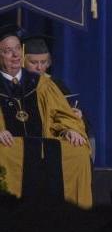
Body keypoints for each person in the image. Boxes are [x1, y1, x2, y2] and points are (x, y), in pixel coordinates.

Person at [0, 25, 91, 207]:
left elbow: (61, 113)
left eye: (18, 49)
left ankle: (74, 216)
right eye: (8, 51)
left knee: (78, 151)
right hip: (11, 147)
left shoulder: (41, 84)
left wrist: (69, 129)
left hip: (43, 143)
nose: (16, 55)